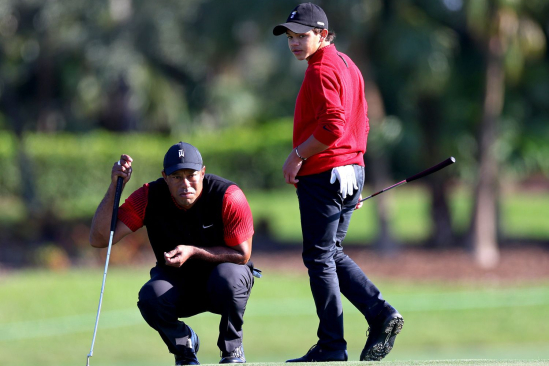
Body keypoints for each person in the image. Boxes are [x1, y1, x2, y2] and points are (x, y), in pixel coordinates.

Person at [273, 3, 404, 362]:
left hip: (325, 172)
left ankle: (332, 345)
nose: (295, 42)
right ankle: (381, 315)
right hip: (347, 170)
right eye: (290, 36)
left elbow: (332, 127)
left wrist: (297, 155)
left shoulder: (320, 70)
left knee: (318, 257)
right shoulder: (347, 64)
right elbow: (360, 124)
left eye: (303, 35)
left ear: (323, 35)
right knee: (329, 255)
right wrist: (355, 175)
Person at [89, 141, 257, 365]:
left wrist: (194, 251)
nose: (185, 183)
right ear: (165, 177)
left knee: (230, 278)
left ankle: (232, 349)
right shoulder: (149, 197)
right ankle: (184, 345)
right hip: (177, 283)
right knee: (150, 298)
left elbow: (242, 255)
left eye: (191, 175)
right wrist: (114, 186)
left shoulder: (228, 196)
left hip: (222, 283)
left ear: (203, 172)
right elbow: (99, 239)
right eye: (177, 177)